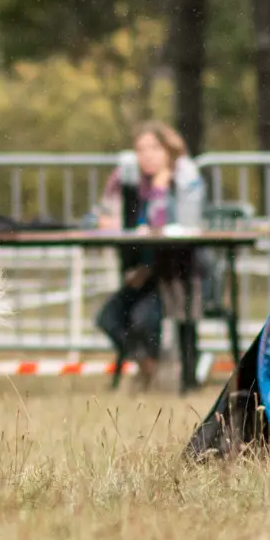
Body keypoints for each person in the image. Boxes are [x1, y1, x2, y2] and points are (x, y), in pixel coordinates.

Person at [94, 121, 207, 388]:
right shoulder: (127, 180)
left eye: (154, 148)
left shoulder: (185, 179)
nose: (147, 155)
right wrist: (103, 220)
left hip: (182, 276)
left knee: (142, 318)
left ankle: (169, 371)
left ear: (169, 150)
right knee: (108, 318)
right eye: (141, 149)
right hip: (142, 272)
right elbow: (99, 215)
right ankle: (150, 368)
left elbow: (175, 228)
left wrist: (158, 190)